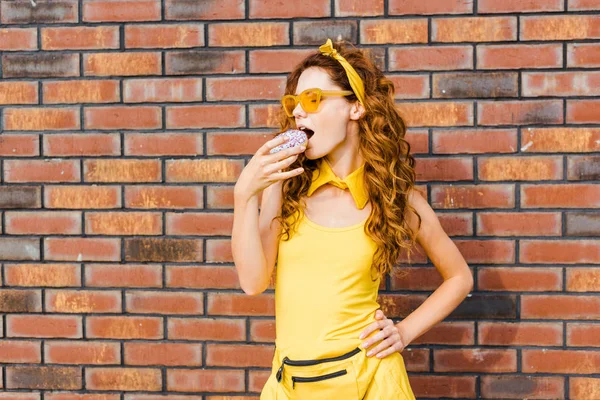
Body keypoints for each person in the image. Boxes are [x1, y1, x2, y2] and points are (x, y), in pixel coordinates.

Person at [232, 38, 473, 399]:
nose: (298, 112)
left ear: (355, 107)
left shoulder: (394, 198)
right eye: (294, 103)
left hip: (371, 382)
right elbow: (252, 282)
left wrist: (403, 332)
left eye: (313, 99)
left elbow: (459, 277)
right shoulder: (285, 187)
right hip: (291, 386)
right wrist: (243, 195)